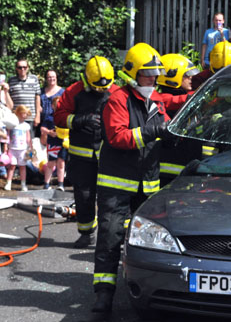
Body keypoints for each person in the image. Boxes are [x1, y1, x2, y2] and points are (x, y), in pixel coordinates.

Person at [91, 43, 184, 313]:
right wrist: (154, 130)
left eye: (156, 75)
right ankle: (104, 294)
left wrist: (171, 137)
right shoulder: (117, 99)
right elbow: (118, 136)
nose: (153, 80)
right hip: (116, 185)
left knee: (152, 239)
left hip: (148, 185)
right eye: (148, 75)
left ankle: (153, 290)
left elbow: (165, 124)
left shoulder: (155, 100)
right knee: (110, 237)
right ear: (132, 74)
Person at [54, 56, 119, 249]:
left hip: (109, 156)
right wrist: (80, 120)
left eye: (104, 87)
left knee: (112, 199)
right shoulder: (74, 92)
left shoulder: (116, 92)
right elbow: (59, 117)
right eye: (97, 87)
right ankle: (86, 233)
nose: (101, 90)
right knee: (83, 197)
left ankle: (112, 237)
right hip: (82, 158)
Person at [157, 53, 202, 186]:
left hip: (190, 169)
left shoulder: (188, 97)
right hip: (168, 173)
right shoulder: (160, 99)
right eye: (186, 76)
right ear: (171, 77)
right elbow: (173, 101)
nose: (191, 78)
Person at [8, 59, 42, 135]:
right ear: (16, 68)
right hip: (15, 118)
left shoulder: (34, 79)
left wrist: (38, 116)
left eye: (24, 67)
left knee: (29, 142)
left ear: (28, 68)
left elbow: (37, 98)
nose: (22, 69)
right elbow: (8, 99)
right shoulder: (11, 80)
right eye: (20, 67)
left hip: (30, 117)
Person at [40, 96, 67, 191]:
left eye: (60, 104)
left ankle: (61, 184)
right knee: (51, 163)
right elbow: (42, 128)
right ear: (52, 106)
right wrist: (49, 132)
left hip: (63, 143)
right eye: (56, 105)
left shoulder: (65, 116)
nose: (58, 106)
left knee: (61, 163)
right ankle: (46, 184)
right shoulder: (49, 117)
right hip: (52, 143)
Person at [4, 105, 32, 191]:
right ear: (18, 113)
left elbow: (28, 138)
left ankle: (23, 184)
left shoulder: (26, 125)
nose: (24, 115)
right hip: (12, 149)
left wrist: (31, 147)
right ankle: (9, 183)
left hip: (23, 149)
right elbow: (7, 136)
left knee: (22, 167)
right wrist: (6, 146)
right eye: (23, 113)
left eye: (26, 114)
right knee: (12, 166)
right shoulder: (12, 124)